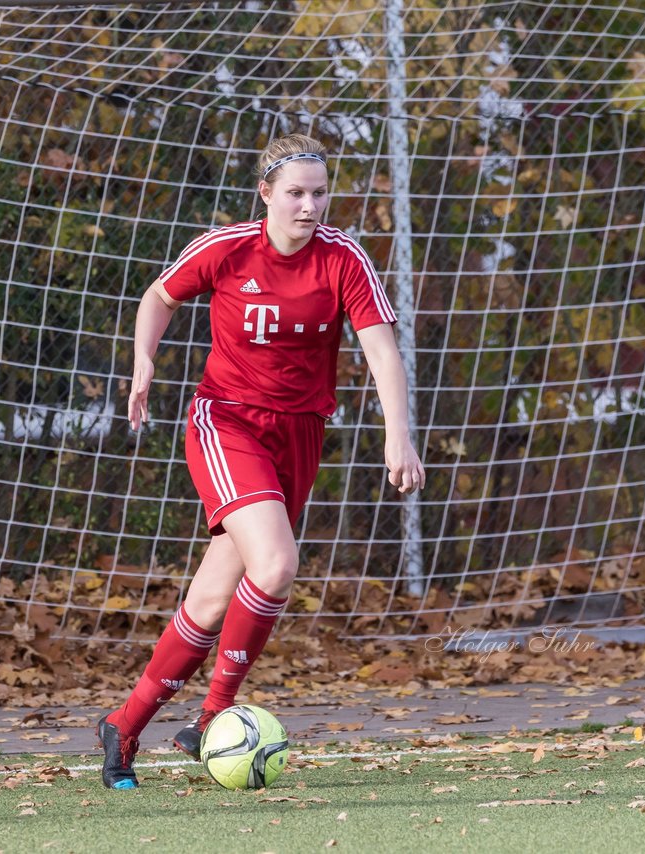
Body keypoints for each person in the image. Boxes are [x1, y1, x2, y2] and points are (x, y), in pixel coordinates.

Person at [97, 134, 425, 789]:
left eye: (320, 193)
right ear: (266, 193)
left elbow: (383, 352)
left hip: (299, 434)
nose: (310, 206)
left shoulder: (343, 258)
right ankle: (215, 715)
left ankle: (124, 725)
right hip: (227, 422)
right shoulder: (227, 247)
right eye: (296, 193)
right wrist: (143, 363)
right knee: (275, 564)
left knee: (216, 594)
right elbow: (159, 297)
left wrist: (400, 436)